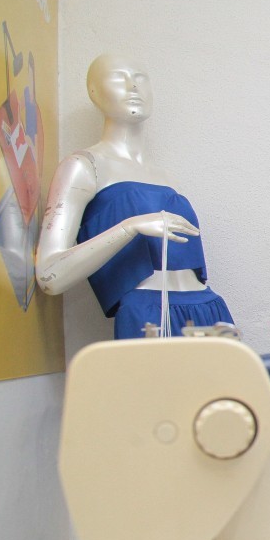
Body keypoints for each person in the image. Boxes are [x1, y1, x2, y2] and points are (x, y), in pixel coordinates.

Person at [35, 54, 233, 338]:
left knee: (228, 384)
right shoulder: (83, 166)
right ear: (93, 92)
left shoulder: (166, 179)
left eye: (140, 78)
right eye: (118, 77)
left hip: (209, 311)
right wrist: (130, 227)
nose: (133, 87)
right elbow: (49, 276)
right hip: (148, 316)